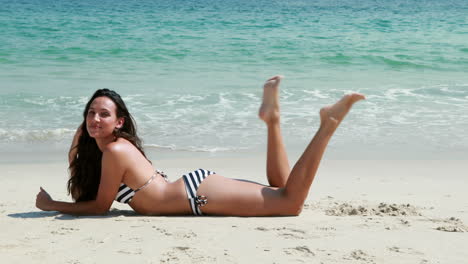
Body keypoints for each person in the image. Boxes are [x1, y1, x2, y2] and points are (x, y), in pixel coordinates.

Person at [35, 76, 365, 216]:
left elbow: (99, 208)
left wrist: (53, 206)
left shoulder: (115, 151)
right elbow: (80, 162)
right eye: (90, 113)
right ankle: (273, 119)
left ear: (119, 121)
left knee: (290, 203)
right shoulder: (107, 147)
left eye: (103, 114)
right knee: (280, 189)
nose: (94, 119)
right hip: (191, 190)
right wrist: (83, 136)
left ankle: (327, 125)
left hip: (195, 195)